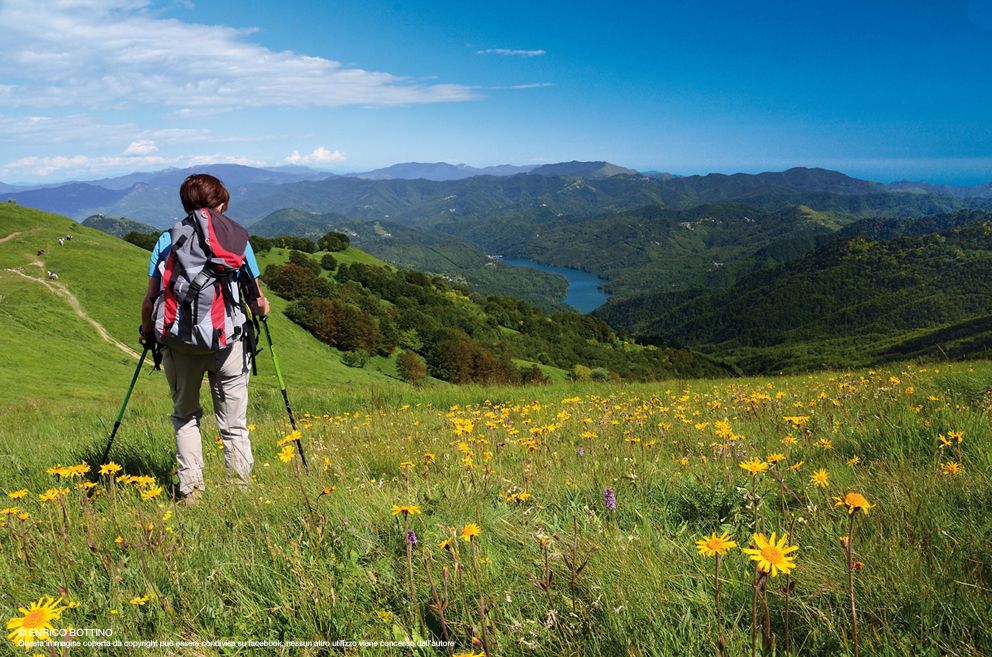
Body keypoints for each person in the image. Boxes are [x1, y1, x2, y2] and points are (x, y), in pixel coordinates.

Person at [139, 174, 270, 503]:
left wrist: (146, 333)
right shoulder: (237, 241)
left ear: (185, 206)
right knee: (234, 424)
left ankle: (192, 494)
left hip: (180, 344)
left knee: (185, 417)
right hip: (228, 343)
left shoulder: (166, 240)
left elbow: (150, 299)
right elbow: (257, 300)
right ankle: (240, 496)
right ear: (221, 205)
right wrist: (260, 311)